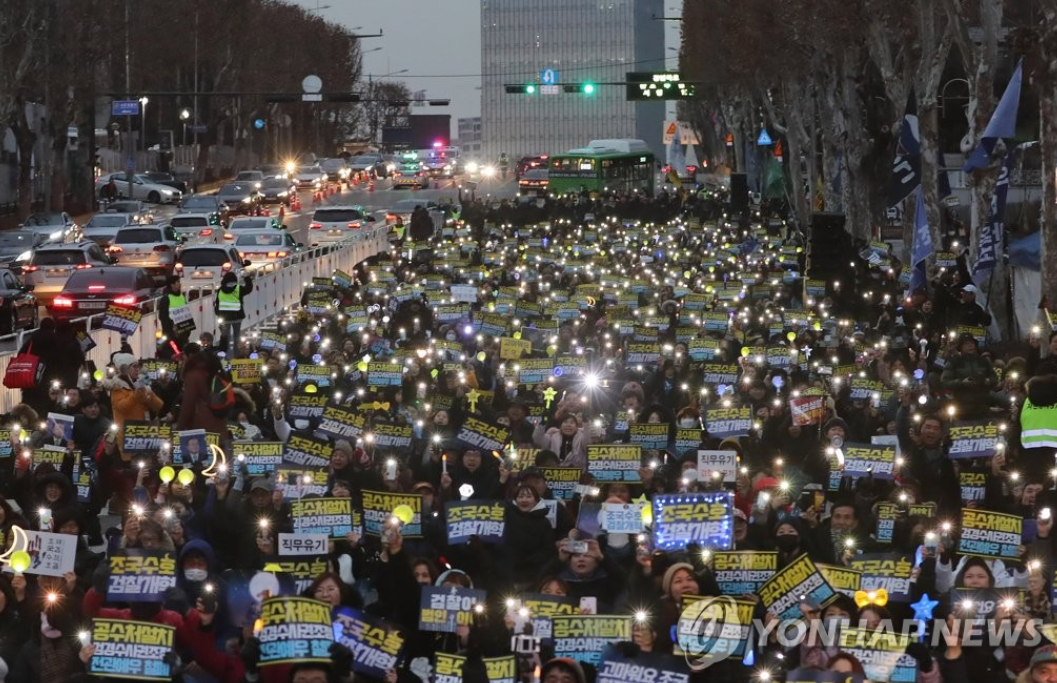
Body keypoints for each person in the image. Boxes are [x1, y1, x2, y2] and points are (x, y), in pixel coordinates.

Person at [214, 271, 253, 355]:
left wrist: (218, 315)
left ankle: (226, 357)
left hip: (225, 319)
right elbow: (249, 289)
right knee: (237, 338)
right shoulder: (238, 288)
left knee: (226, 338)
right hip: (237, 317)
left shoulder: (220, 290)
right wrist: (247, 278)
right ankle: (237, 355)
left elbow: (217, 304)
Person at [158, 276, 193, 359]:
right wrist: (170, 331)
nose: (179, 284)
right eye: (177, 282)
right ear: (172, 285)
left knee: (184, 356)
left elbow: (186, 314)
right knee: (174, 356)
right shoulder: (166, 299)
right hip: (172, 334)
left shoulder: (182, 297)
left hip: (183, 333)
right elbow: (163, 317)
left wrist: (188, 330)